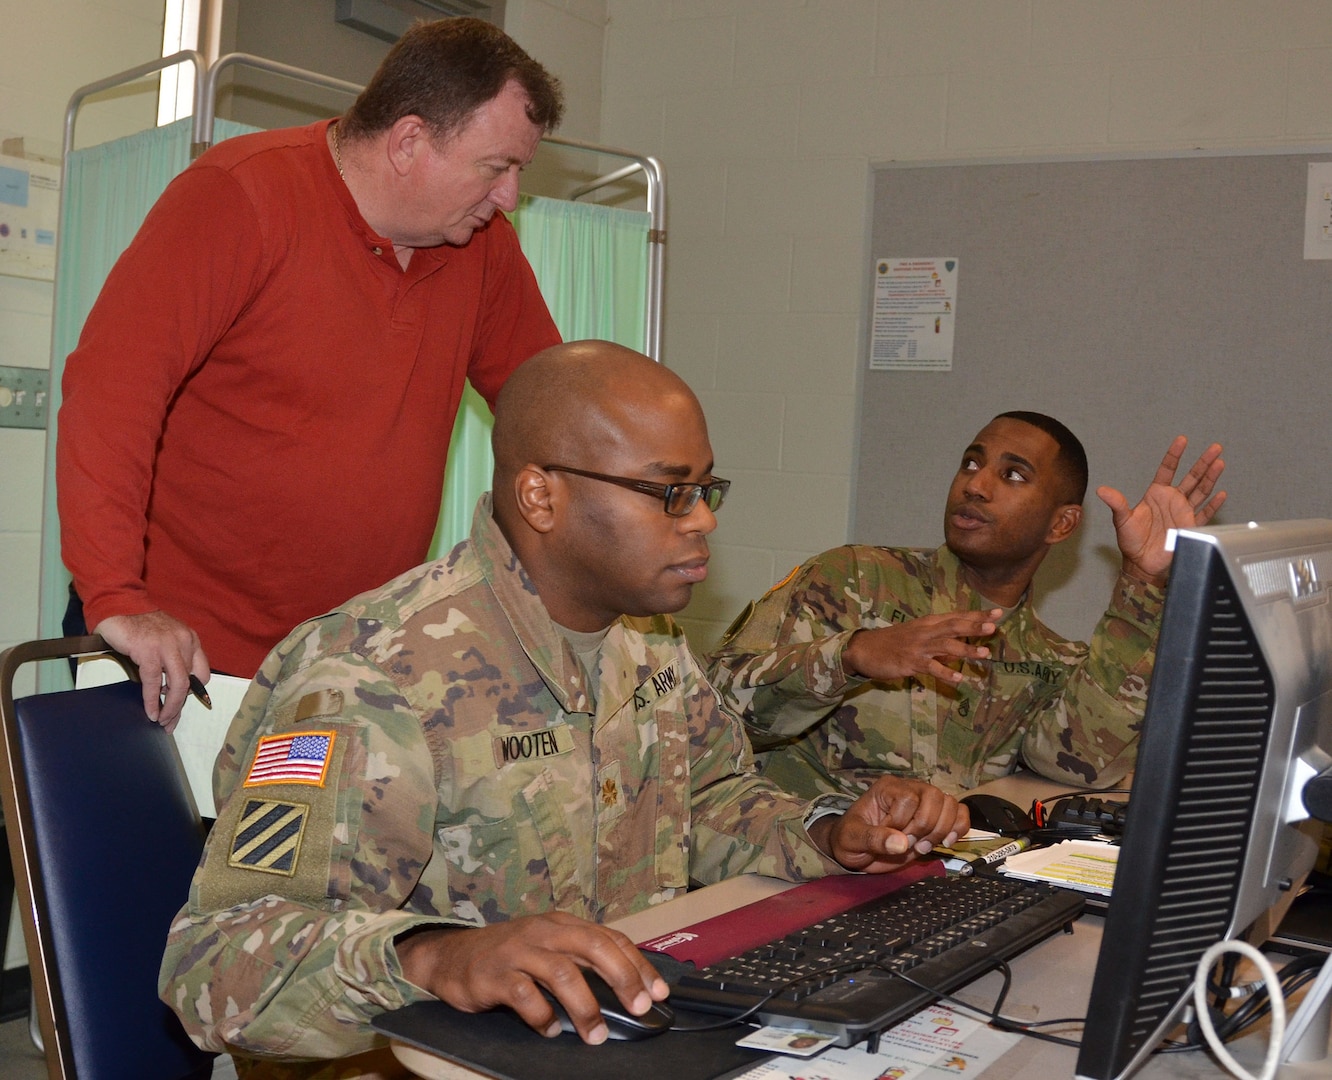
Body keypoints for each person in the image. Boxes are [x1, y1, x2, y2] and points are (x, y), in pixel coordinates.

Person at [158, 341, 968, 1078]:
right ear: (541, 497)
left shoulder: (645, 640)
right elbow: (216, 963)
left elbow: (713, 801)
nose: (706, 519)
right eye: (671, 492)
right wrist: (437, 957)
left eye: (706, 488)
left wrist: (831, 835)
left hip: (622, 1038)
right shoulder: (368, 678)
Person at [57, 18, 565, 728]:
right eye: (496, 167)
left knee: (300, 845)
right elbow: (111, 396)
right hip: (176, 655)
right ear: (409, 141)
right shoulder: (240, 196)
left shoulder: (483, 250)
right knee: (151, 844)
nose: (510, 196)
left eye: (520, 171)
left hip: (343, 669)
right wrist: (118, 597)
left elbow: (550, 412)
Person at [706, 411, 1227, 799]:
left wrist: (1142, 581)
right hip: (796, 872)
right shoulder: (855, 579)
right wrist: (853, 655)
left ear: (1061, 524)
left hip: (937, 892)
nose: (975, 485)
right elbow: (715, 713)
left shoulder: (1049, 660)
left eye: (1013, 475)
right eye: (971, 464)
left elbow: (1080, 765)